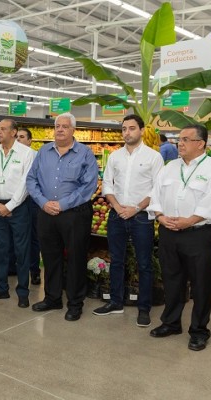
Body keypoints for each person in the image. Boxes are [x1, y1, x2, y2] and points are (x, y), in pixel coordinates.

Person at [147, 125, 211, 351]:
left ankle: (199, 330)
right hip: (169, 232)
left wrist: (191, 220)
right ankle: (171, 322)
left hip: (199, 234)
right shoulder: (169, 168)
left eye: (186, 139)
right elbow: (155, 194)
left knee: (201, 284)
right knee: (172, 280)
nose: (180, 144)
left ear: (201, 143)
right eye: (179, 139)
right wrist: (159, 216)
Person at [92, 115, 164, 327]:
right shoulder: (115, 157)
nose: (127, 132)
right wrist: (117, 207)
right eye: (124, 129)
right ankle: (115, 302)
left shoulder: (154, 157)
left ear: (141, 130)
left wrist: (135, 208)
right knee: (116, 260)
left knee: (144, 263)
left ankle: (144, 308)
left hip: (141, 217)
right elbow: (107, 184)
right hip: (116, 214)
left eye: (132, 128)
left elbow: (157, 189)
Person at [26, 112, 98, 321]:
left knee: (76, 258)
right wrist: (43, 202)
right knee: (50, 256)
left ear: (73, 130)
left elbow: (88, 186)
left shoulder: (85, 154)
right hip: (46, 212)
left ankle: (75, 303)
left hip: (75, 214)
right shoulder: (43, 152)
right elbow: (31, 180)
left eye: (65, 126)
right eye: (57, 126)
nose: (60, 129)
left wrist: (62, 204)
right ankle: (53, 298)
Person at [0, 119, 35, 307]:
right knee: (1, 249)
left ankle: (23, 292)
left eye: (3, 129)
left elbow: (26, 183)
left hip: (19, 208)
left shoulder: (27, 153)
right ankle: (1, 288)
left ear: (14, 132)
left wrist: (10, 206)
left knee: (21, 251)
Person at [16, 127, 42, 285]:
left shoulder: (37, 156)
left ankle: (34, 271)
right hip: (16, 201)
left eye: (22, 137)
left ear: (30, 140)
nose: (18, 139)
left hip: (32, 201)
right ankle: (17, 268)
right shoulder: (11, 155)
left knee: (33, 237)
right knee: (17, 236)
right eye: (17, 136)